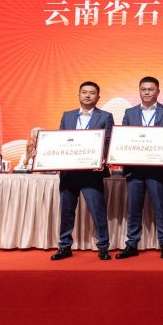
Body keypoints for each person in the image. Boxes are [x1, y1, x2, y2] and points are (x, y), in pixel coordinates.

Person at [51, 81, 114, 261]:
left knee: (97, 210)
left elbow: (108, 141)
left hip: (92, 172)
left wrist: (103, 158)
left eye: (92, 93)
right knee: (66, 211)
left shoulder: (105, 116)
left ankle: (103, 247)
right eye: (84, 92)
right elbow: (60, 140)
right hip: (69, 172)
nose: (87, 95)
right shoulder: (67, 115)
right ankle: (64, 247)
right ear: (79, 95)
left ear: (98, 97)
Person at [116, 77, 163, 260]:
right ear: (139, 91)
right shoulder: (129, 113)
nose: (147, 92)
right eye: (144, 89)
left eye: (151, 89)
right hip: (134, 169)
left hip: (157, 170)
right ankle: (132, 244)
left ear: (158, 91)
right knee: (133, 209)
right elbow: (123, 138)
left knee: (160, 208)